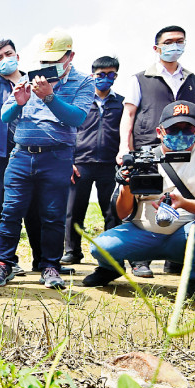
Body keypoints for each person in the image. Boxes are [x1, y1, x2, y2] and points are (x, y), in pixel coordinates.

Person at [0, 30, 95, 290]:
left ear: (70, 56)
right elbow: (5, 116)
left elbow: (77, 118)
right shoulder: (28, 79)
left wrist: (49, 97)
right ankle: (3, 263)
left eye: (56, 59)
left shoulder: (83, 82)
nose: (49, 66)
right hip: (22, 155)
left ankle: (50, 266)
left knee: (53, 215)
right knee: (10, 211)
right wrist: (19, 103)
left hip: (57, 157)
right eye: (45, 61)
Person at [84, 101, 195, 304]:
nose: (180, 134)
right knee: (100, 246)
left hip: (185, 235)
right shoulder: (142, 158)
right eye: (173, 129)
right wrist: (126, 186)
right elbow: (123, 214)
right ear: (160, 131)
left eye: (188, 128)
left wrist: (183, 202)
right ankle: (111, 268)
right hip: (143, 233)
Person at [118, 25, 195, 279]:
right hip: (149, 146)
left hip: (186, 146)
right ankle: (139, 259)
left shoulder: (192, 78)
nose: (175, 46)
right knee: (146, 197)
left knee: (185, 192)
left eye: (180, 41)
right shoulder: (141, 78)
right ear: (157, 48)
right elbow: (129, 114)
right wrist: (125, 147)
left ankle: (176, 259)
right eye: (169, 42)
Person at [0, 39, 43, 276]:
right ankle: (7, 261)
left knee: (36, 209)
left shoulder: (38, 82)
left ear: (17, 56)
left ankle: (43, 260)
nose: (4, 60)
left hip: (32, 152)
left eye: (8, 54)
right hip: (0, 154)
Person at [61, 56, 124, 265]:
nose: (105, 78)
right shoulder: (82, 101)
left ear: (115, 76)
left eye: (110, 74)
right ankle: (72, 251)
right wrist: (69, 160)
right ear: (92, 76)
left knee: (112, 210)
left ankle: (112, 252)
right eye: (101, 75)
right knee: (74, 209)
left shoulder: (121, 103)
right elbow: (69, 130)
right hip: (81, 163)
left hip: (110, 164)